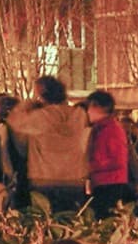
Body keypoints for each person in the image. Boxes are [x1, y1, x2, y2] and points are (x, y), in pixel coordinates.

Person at [7, 76, 89, 212]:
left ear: (42, 95)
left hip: (44, 178)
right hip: (74, 179)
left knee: (46, 223)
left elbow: (14, 121)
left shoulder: (41, 117)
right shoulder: (79, 115)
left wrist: (27, 104)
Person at [85, 90, 129, 219]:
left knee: (107, 220)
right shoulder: (101, 128)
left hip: (110, 183)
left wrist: (92, 166)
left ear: (97, 107)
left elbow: (118, 159)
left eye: (90, 107)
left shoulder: (111, 129)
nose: (88, 112)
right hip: (102, 182)